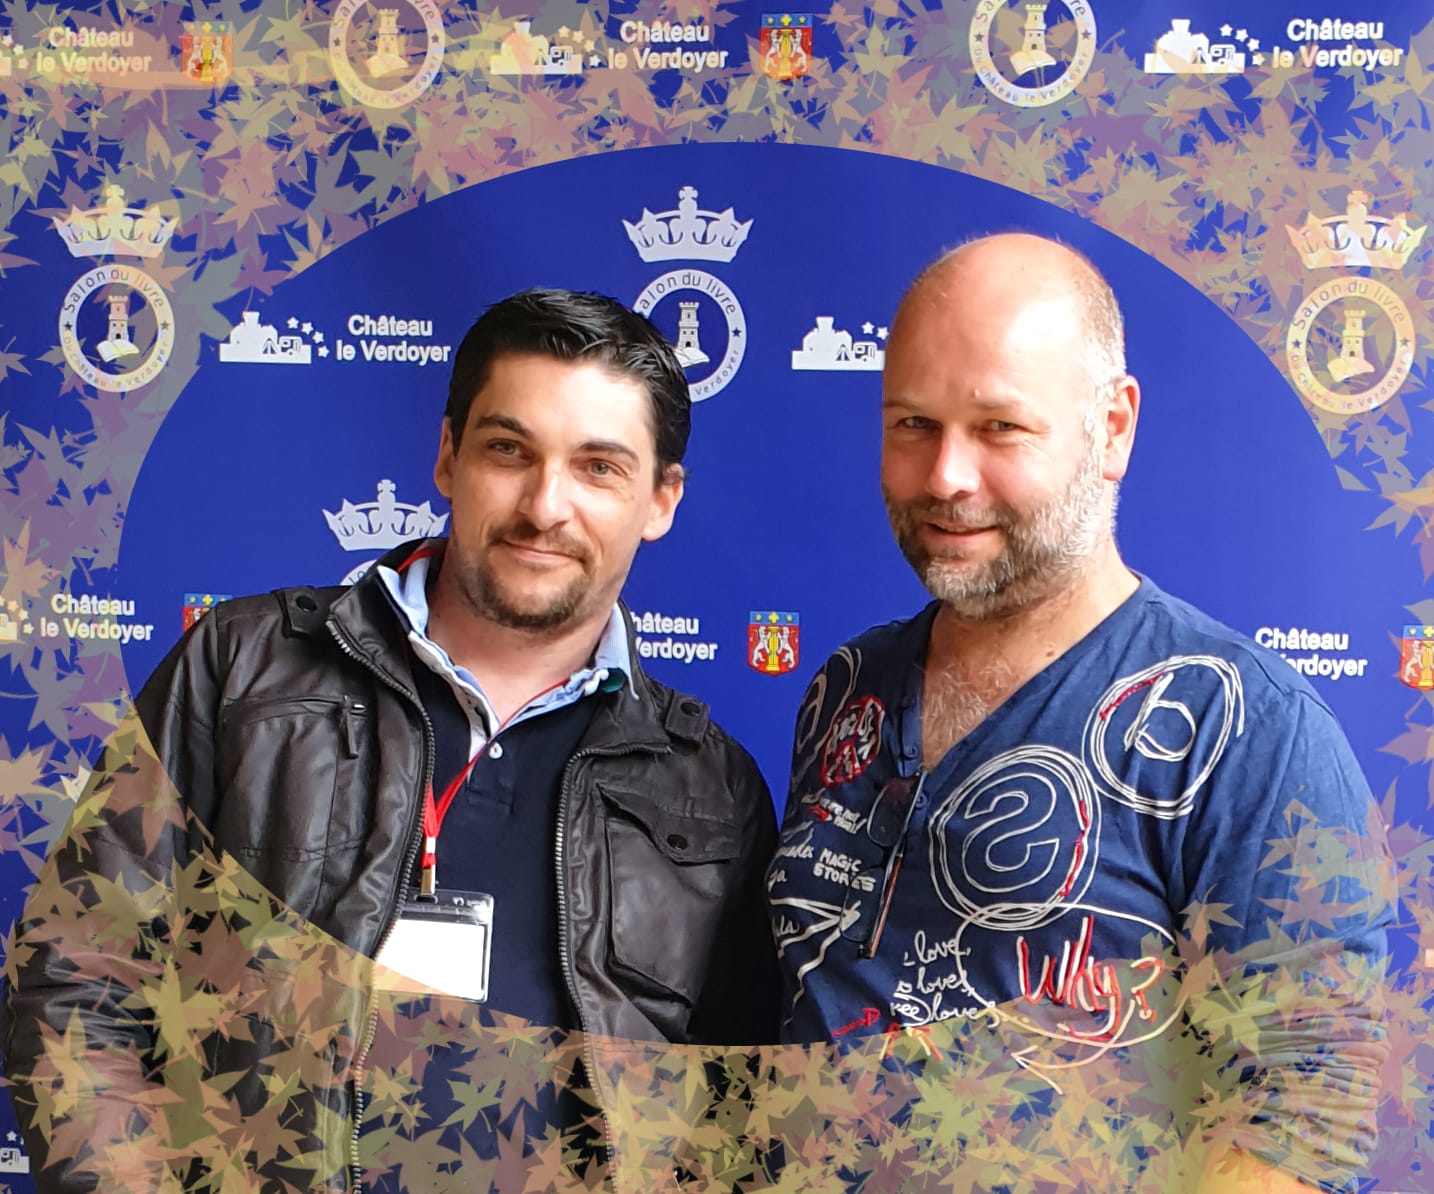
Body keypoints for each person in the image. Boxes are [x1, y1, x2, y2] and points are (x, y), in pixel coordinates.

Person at [5, 288, 779, 1191]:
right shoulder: (240, 673)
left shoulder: (709, 786)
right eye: (509, 450)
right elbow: (77, 990)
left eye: (598, 467)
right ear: (449, 456)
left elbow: (738, 1114)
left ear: (660, 500)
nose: (545, 505)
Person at [766, 234, 1392, 1191]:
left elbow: (1304, 1118)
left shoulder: (1249, 730)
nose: (946, 477)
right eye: (914, 424)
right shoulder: (847, 688)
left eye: (1001, 428)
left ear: (1114, 427)